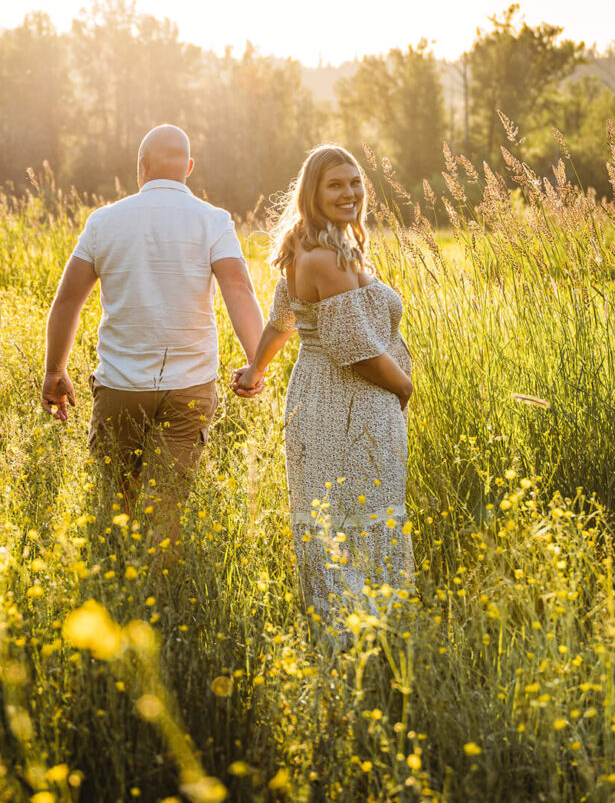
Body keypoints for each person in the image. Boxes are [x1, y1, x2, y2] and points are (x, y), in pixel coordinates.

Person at [42, 124, 266, 551]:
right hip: (190, 387)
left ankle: (117, 576)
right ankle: (160, 584)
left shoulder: (103, 221)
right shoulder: (214, 220)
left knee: (116, 501)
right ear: (189, 167)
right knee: (167, 505)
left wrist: (55, 371)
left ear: (140, 167)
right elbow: (239, 290)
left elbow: (68, 299)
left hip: (120, 385)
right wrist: (256, 363)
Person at [234, 145, 415, 634]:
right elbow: (354, 349)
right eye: (335, 184)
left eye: (355, 182)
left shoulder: (313, 248)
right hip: (347, 402)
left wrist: (254, 371)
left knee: (340, 515)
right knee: (354, 515)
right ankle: (362, 638)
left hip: (323, 398)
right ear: (311, 193)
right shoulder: (326, 258)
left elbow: (282, 322)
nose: (349, 192)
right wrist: (404, 387)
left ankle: (352, 635)